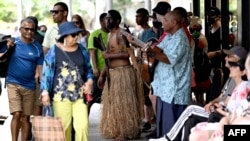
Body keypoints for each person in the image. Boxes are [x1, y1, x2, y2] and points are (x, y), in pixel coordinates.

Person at [149, 46, 248, 141]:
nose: (226, 58)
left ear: (242, 67)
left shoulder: (242, 85)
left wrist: (219, 109)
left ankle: (168, 138)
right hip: (222, 114)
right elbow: (221, 98)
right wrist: (212, 103)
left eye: (230, 57)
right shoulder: (233, 79)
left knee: (191, 108)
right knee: (190, 121)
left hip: (224, 116)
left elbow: (231, 109)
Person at [40, 22, 94, 141]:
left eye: (77, 34)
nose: (76, 37)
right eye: (73, 35)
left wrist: (89, 82)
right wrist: (44, 92)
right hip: (60, 97)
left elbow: (89, 70)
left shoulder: (82, 49)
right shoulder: (54, 51)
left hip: (79, 96)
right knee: (64, 130)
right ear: (64, 36)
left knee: (83, 127)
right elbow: (46, 74)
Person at [143, 10, 192, 138]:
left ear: (174, 22)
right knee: (165, 127)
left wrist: (152, 53)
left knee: (173, 128)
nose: (162, 23)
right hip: (166, 89)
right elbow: (158, 48)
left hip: (175, 91)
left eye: (165, 20)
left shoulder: (180, 38)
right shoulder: (170, 36)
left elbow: (169, 58)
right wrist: (144, 47)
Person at [97, 9, 144, 141]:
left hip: (123, 73)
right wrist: (102, 75)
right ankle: (119, 130)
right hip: (112, 74)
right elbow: (107, 58)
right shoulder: (108, 35)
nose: (107, 20)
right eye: (106, 18)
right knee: (115, 105)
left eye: (110, 18)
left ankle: (125, 132)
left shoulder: (121, 34)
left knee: (123, 104)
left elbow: (127, 53)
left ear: (117, 21)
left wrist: (109, 55)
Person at [0, 18, 44, 141]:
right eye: (26, 29)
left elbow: (40, 69)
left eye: (32, 29)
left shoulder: (37, 48)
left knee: (25, 118)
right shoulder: (12, 43)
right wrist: (8, 48)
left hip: (30, 86)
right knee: (17, 114)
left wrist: (44, 87)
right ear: (20, 29)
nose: (29, 31)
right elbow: (1, 59)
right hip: (13, 83)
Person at [189, 53, 250, 141]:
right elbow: (232, 114)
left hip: (240, 131)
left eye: (248, 70)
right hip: (233, 126)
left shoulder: (244, 87)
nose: (248, 75)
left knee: (213, 136)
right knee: (196, 135)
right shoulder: (244, 90)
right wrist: (223, 123)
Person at [87, 13, 109, 115]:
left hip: (110, 70)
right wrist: (95, 68)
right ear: (101, 22)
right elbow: (92, 52)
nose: (108, 22)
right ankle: (84, 119)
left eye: (109, 19)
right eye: (106, 20)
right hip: (98, 71)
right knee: (92, 97)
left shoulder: (112, 33)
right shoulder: (95, 34)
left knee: (108, 97)